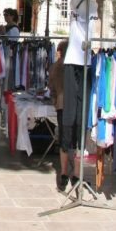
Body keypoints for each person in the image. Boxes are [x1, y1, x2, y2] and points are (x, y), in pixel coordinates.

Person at [48, 40, 71, 191]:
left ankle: (63, 173)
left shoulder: (56, 66)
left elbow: (52, 87)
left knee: (64, 138)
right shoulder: (72, 65)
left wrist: (54, 98)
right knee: (73, 139)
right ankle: (73, 172)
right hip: (72, 104)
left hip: (62, 105)